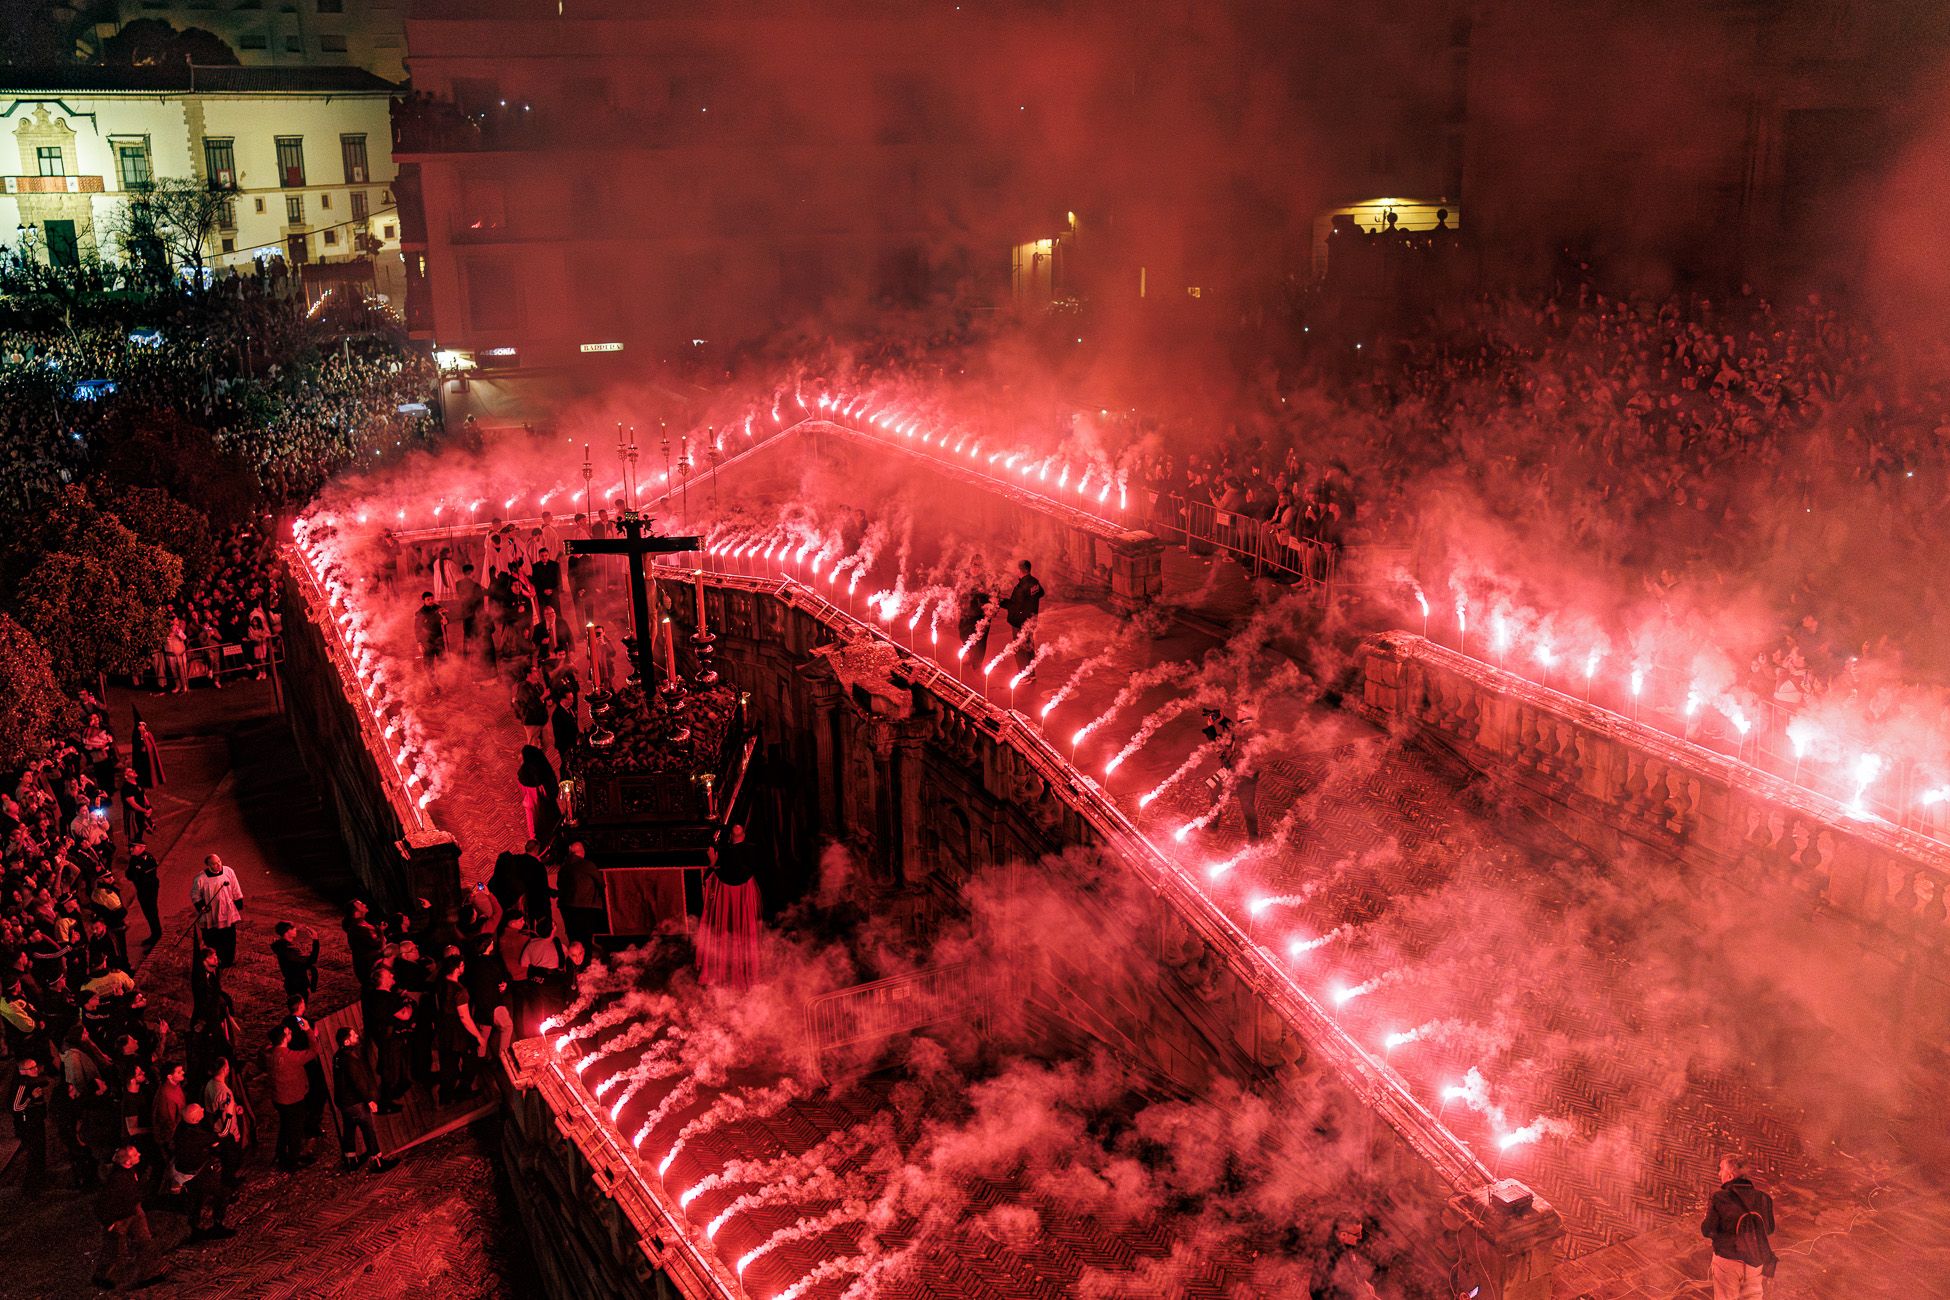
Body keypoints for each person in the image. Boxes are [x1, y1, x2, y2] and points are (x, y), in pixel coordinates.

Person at [1701, 1154, 1776, 1299]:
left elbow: (1707, 1230)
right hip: (1755, 1263)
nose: (1719, 1174)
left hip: (1728, 1262)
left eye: (1721, 1169)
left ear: (1730, 1176)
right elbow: (1769, 1229)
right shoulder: (1764, 1198)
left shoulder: (1719, 1197)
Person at [91, 1144, 164, 1289]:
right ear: (127, 1161)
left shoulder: (129, 1170)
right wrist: (109, 1223)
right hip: (120, 1218)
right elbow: (101, 1204)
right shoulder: (116, 1180)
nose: (139, 1155)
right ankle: (101, 1277)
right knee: (113, 1249)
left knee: (145, 1242)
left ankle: (147, 1275)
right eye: (135, 1154)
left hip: (134, 1211)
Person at [169, 1103, 234, 1242]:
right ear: (194, 1119)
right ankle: (217, 1226)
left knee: (197, 1198)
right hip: (197, 1174)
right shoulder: (195, 1136)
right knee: (223, 1193)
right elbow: (223, 1134)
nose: (203, 1109)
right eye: (200, 1110)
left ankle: (195, 1229)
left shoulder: (182, 1128)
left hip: (185, 1171)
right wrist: (229, 1115)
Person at [333, 1026, 393, 1171]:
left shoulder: (337, 1057)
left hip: (344, 1103)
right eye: (353, 1035)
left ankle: (350, 1160)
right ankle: (378, 1162)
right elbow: (358, 1081)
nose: (357, 1036)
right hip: (355, 1102)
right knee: (368, 1130)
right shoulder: (349, 1059)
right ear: (346, 1042)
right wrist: (369, 1100)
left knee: (349, 1128)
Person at [264, 1023, 316, 1170]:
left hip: (278, 1099)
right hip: (293, 1100)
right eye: (288, 1032)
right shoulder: (290, 1057)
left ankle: (281, 1154)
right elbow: (314, 1051)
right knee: (295, 1130)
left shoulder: (269, 1055)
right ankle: (293, 1160)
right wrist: (309, 1031)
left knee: (285, 1126)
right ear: (284, 1038)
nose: (290, 1033)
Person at [190, 854, 245, 967]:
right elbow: (195, 895)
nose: (219, 865)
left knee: (229, 938)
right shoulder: (201, 878)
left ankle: (228, 960)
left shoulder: (228, 871)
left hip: (227, 911)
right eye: (214, 864)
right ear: (209, 865)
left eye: (219, 861)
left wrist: (238, 901)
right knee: (214, 939)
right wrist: (201, 906)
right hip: (212, 914)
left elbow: (235, 887)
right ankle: (216, 960)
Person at [10, 1055, 51, 1196]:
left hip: (37, 1122)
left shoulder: (32, 1081)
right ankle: (30, 1188)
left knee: (39, 1154)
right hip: (29, 1125)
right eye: (31, 1068)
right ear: (22, 1071)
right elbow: (15, 1107)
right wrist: (31, 1097)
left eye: (35, 1066)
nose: (35, 1070)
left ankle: (39, 1182)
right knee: (34, 1156)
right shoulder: (22, 1084)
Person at [1003, 559, 1045, 676]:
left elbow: (1014, 606)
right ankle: (1031, 674)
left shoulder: (1021, 587)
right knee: (1029, 647)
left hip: (1019, 623)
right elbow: (1041, 593)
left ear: (1020, 570)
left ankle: (1024, 675)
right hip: (1031, 621)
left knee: (1020, 649)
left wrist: (1001, 602)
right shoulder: (1034, 581)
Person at [518, 746, 561, 848]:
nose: (519, 757)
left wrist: (532, 837)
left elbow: (528, 803)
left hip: (536, 814)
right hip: (550, 811)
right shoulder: (545, 772)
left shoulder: (523, 776)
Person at [271, 921, 320, 1001]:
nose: (295, 929)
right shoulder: (287, 950)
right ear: (286, 932)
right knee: (299, 1007)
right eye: (292, 928)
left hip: (296, 984)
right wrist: (315, 939)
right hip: (297, 986)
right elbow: (311, 960)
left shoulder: (285, 947)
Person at [125, 841, 163, 946]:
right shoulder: (134, 859)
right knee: (147, 913)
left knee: (152, 913)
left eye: (134, 847)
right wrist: (136, 874)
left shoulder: (148, 859)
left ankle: (157, 934)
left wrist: (136, 874)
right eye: (131, 847)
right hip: (141, 890)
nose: (131, 849)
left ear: (142, 848)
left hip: (150, 890)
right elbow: (129, 875)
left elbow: (143, 876)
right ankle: (154, 933)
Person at [512, 666, 549, 748]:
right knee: (533, 745)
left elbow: (542, 700)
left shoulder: (538, 685)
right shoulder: (523, 687)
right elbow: (532, 703)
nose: (538, 673)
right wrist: (544, 696)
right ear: (528, 674)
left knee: (544, 743)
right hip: (531, 720)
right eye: (535, 671)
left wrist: (548, 700)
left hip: (541, 719)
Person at [455, 562, 486, 658]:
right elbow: (480, 602)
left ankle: (466, 655)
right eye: (473, 572)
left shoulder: (458, 584)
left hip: (465, 614)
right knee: (475, 635)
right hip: (474, 614)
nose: (474, 574)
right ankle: (476, 655)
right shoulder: (475, 586)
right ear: (470, 572)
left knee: (467, 635)